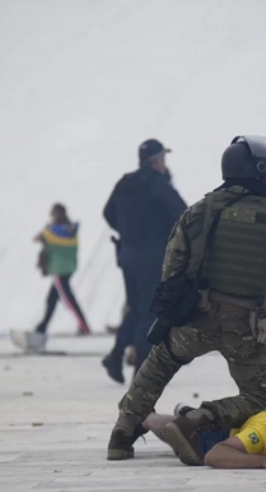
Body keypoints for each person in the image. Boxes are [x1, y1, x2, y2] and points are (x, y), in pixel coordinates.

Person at [107, 135, 266, 464]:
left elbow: (171, 269)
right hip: (245, 328)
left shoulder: (199, 210)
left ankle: (122, 432)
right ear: (258, 171)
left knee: (158, 365)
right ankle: (197, 420)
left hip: (195, 320)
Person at [101, 139, 187, 382]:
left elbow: (108, 212)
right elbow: (184, 215)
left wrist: (128, 233)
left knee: (136, 308)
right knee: (150, 311)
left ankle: (115, 356)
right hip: (152, 258)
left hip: (127, 256)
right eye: (162, 158)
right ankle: (141, 371)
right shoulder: (158, 184)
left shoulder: (125, 183)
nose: (164, 163)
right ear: (156, 161)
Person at [33, 203, 90, 338]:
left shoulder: (52, 231)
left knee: (68, 299)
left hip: (60, 269)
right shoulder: (71, 230)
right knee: (52, 298)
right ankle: (43, 326)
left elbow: (39, 237)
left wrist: (46, 232)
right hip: (68, 267)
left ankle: (83, 325)